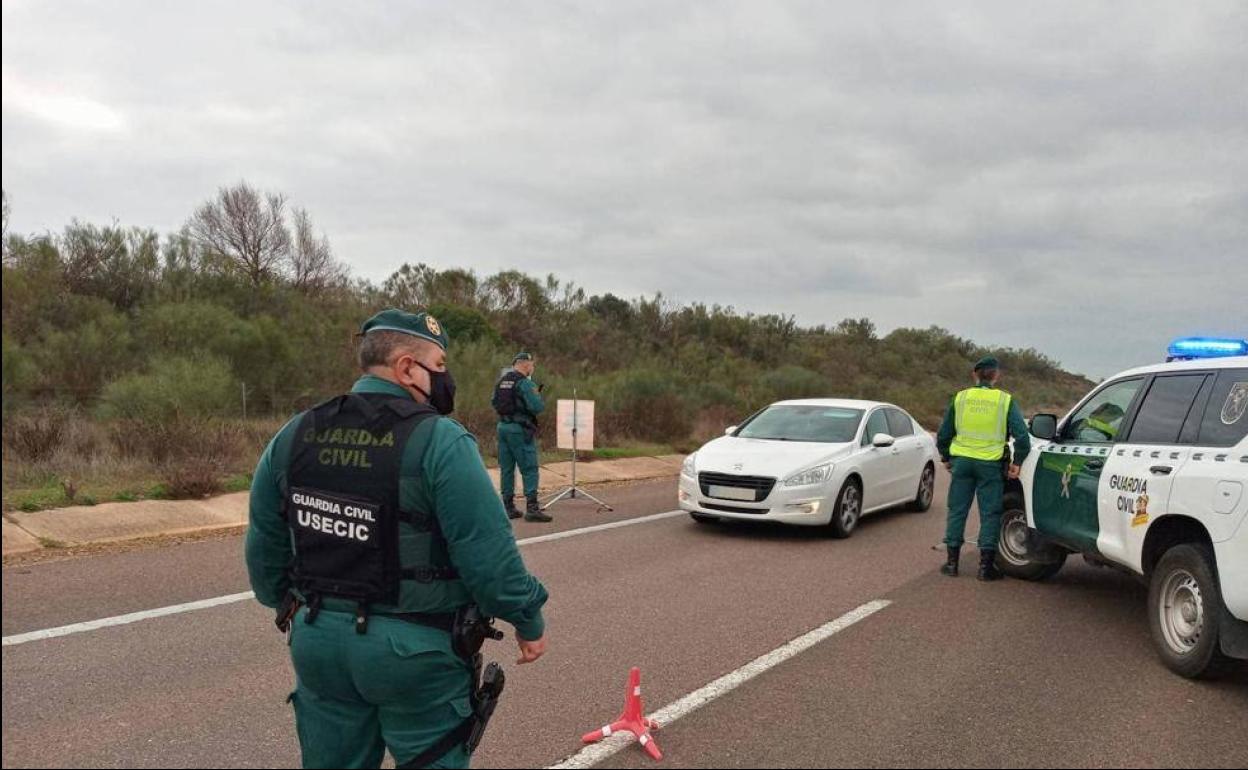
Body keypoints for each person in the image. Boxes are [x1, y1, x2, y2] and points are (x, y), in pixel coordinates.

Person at [244, 309, 549, 769]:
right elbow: (490, 559)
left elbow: (265, 544)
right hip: (416, 652)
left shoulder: (296, 432)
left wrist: (290, 607)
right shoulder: (441, 442)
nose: (447, 379)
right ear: (407, 367)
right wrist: (527, 619)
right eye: (440, 366)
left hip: (317, 642)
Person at [935, 355, 1032, 581]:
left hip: (962, 463)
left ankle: (951, 564)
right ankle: (985, 568)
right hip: (990, 465)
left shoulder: (961, 398)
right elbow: (1022, 436)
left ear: (975, 374)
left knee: (957, 510)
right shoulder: (1005, 400)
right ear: (996, 376)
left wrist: (946, 456)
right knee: (990, 513)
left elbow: (944, 433)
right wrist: (1017, 462)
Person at [492, 352, 549, 523]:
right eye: (532, 364)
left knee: (507, 468)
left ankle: (508, 507)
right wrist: (536, 395)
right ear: (525, 364)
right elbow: (537, 407)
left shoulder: (502, 381)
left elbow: (494, 402)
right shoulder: (525, 383)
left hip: (502, 427)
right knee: (529, 467)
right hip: (519, 429)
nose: (532, 368)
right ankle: (532, 508)